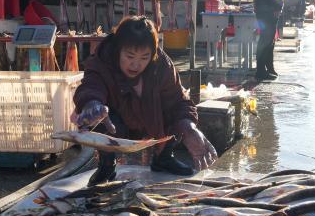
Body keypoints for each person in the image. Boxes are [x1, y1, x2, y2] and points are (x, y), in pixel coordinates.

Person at [71, 16, 217, 184]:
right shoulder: (103, 62)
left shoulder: (163, 66)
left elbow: (179, 101)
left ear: (153, 55)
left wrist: (189, 128)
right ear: (119, 50)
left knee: (177, 115)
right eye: (130, 56)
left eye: (144, 58)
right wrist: (92, 104)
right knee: (101, 117)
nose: (135, 65)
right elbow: (90, 86)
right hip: (118, 124)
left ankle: (164, 157)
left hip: (152, 121)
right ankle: (106, 164)